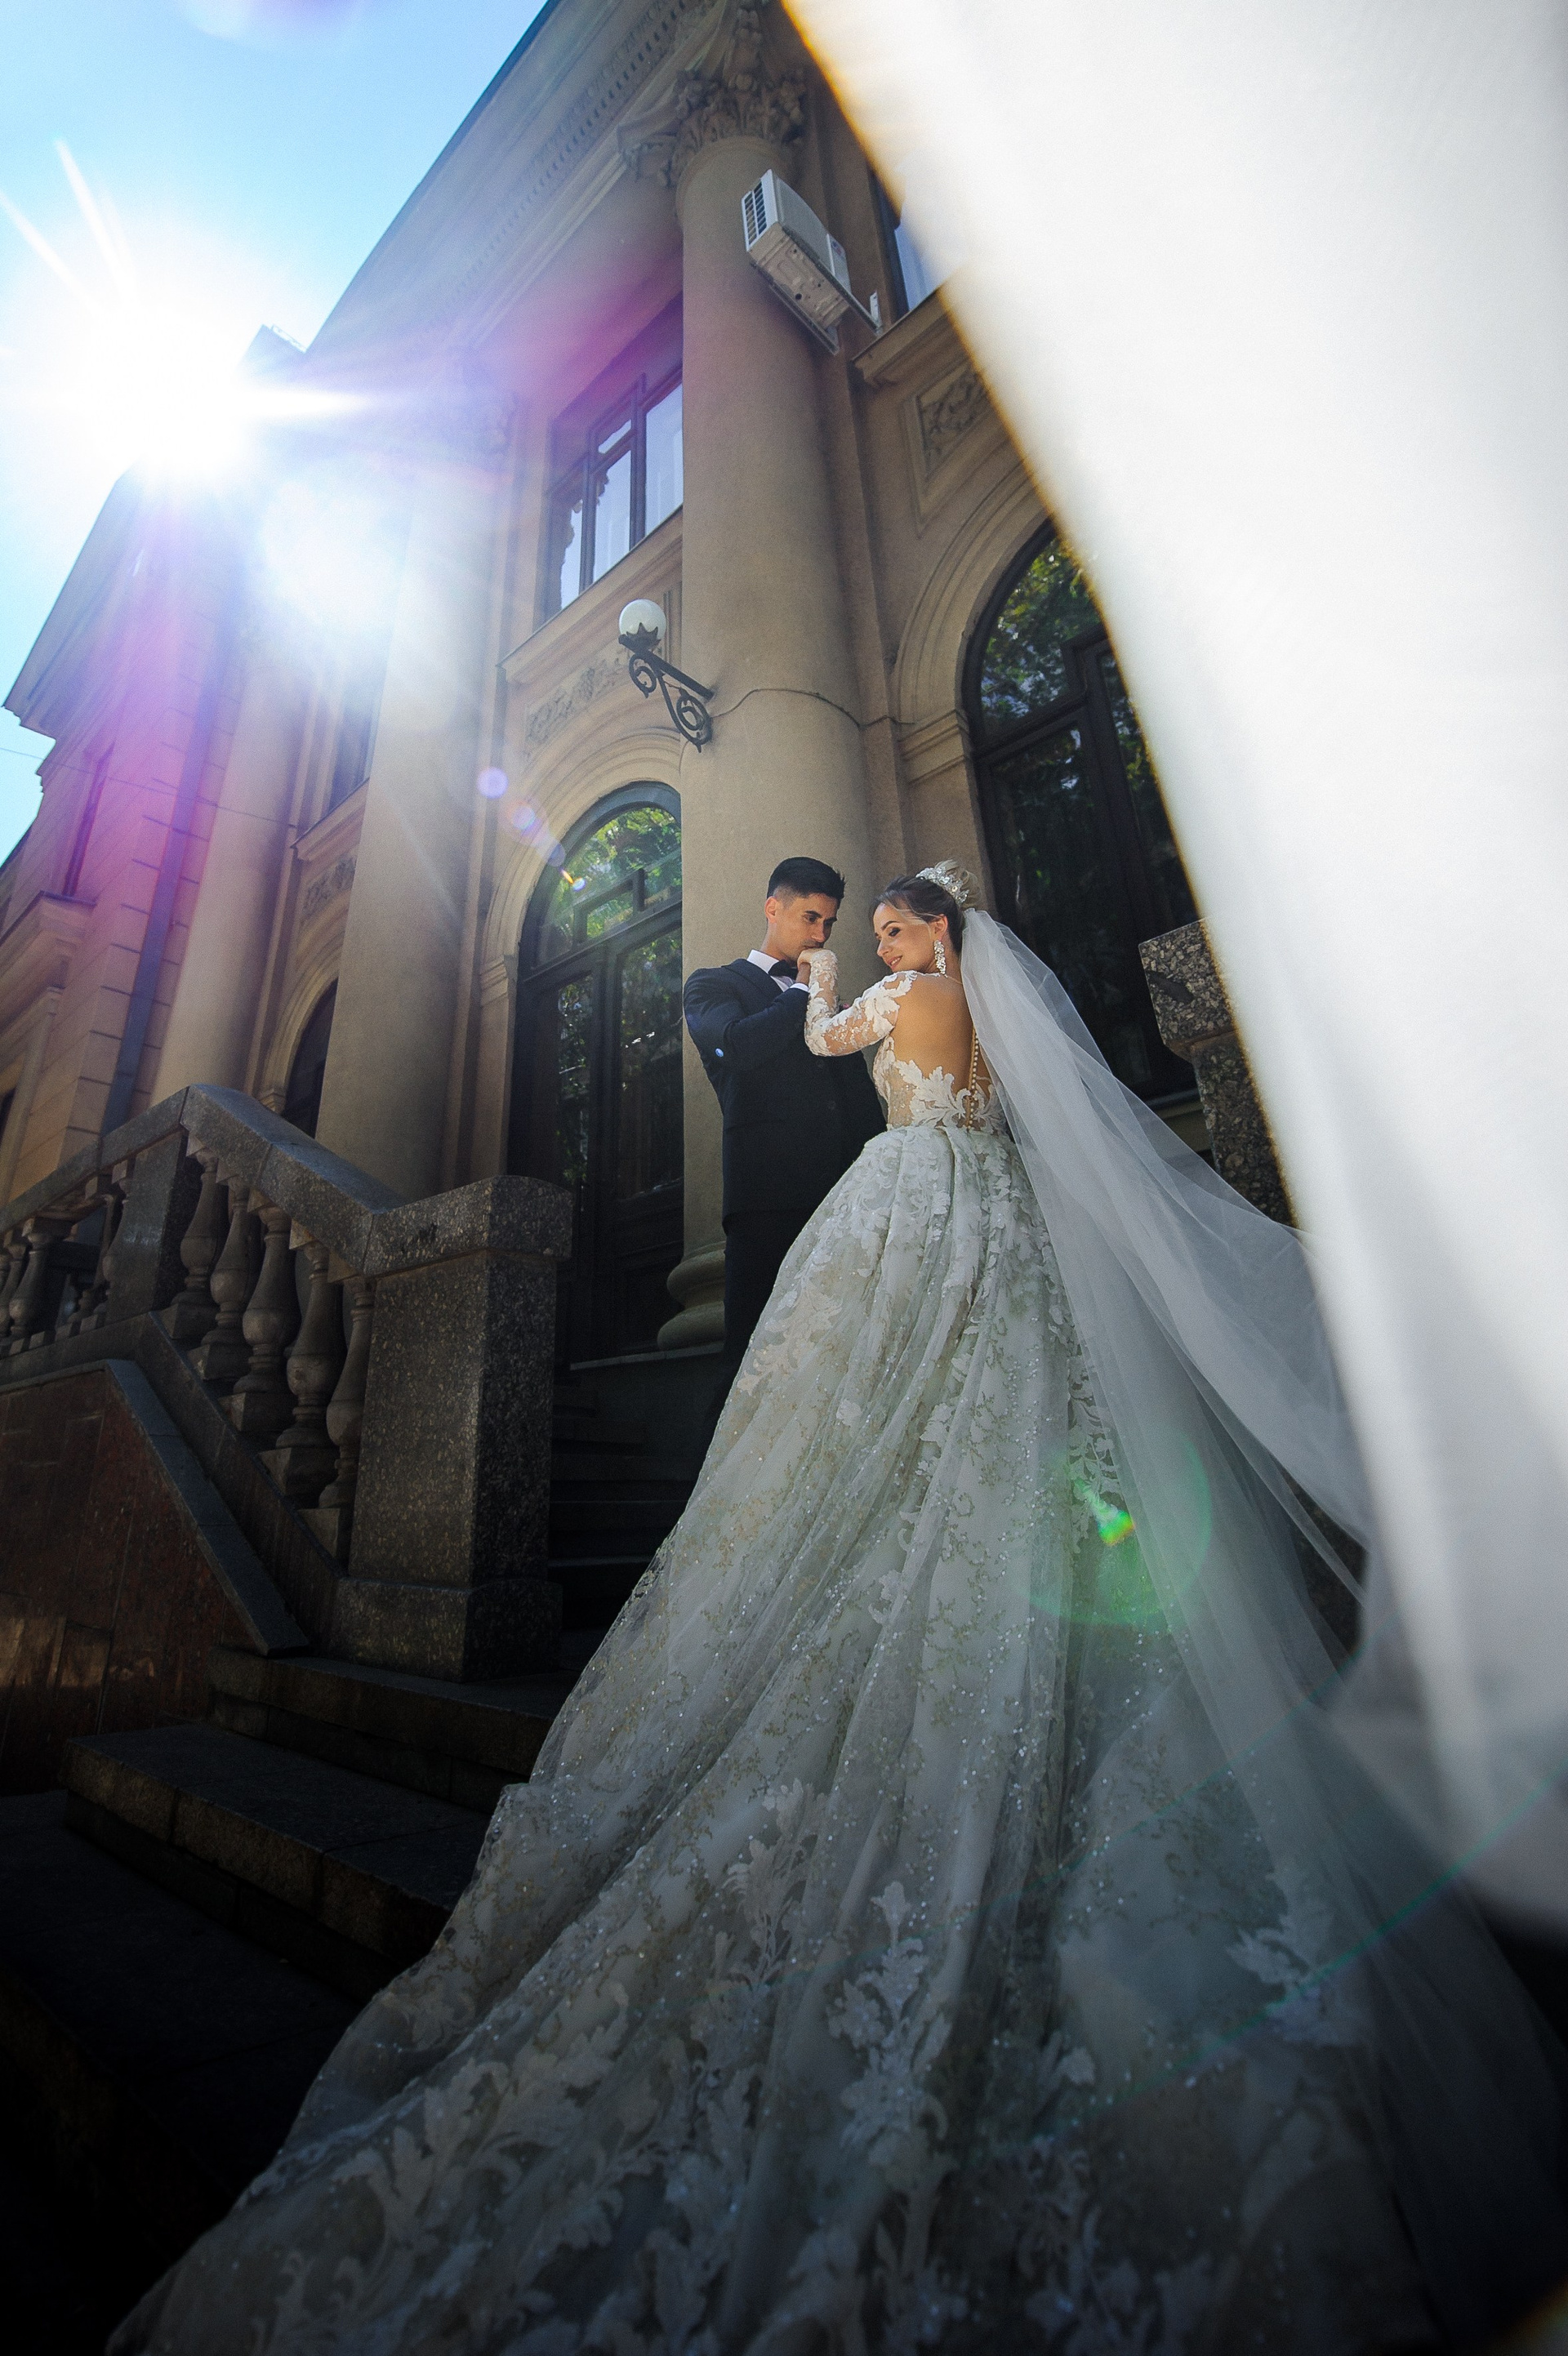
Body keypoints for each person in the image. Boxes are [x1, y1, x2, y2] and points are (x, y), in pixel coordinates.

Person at [117, 866, 1568, 2355]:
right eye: (859, 932)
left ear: (932, 931)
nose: (872, 945)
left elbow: (829, 1050)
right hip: (986, 1212)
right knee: (975, 1415)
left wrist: (826, 991)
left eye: (888, 928)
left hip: (906, 1210)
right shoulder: (975, 1010)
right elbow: (971, 1104)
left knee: (878, 1416)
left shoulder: (890, 998)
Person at [682, 855, 884, 1366]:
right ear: (773, 909)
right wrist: (802, 992)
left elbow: (855, 1094)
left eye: (829, 923)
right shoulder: (711, 985)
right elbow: (736, 1046)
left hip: (844, 1193)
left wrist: (877, 1171)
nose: (820, 935)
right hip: (767, 1198)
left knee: (841, 1351)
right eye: (810, 918)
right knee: (754, 1356)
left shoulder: (825, 994)